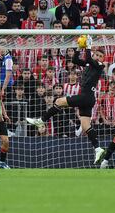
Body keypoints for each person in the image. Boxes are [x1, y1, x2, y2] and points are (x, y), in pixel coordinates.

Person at [26, 36, 106, 164]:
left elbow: (90, 59)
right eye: (96, 55)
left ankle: (41, 120)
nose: (97, 57)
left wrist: (89, 47)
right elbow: (74, 59)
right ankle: (97, 149)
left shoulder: (100, 65)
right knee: (86, 126)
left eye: (100, 56)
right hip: (88, 99)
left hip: (86, 96)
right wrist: (79, 48)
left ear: (103, 59)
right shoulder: (89, 64)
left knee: (58, 101)